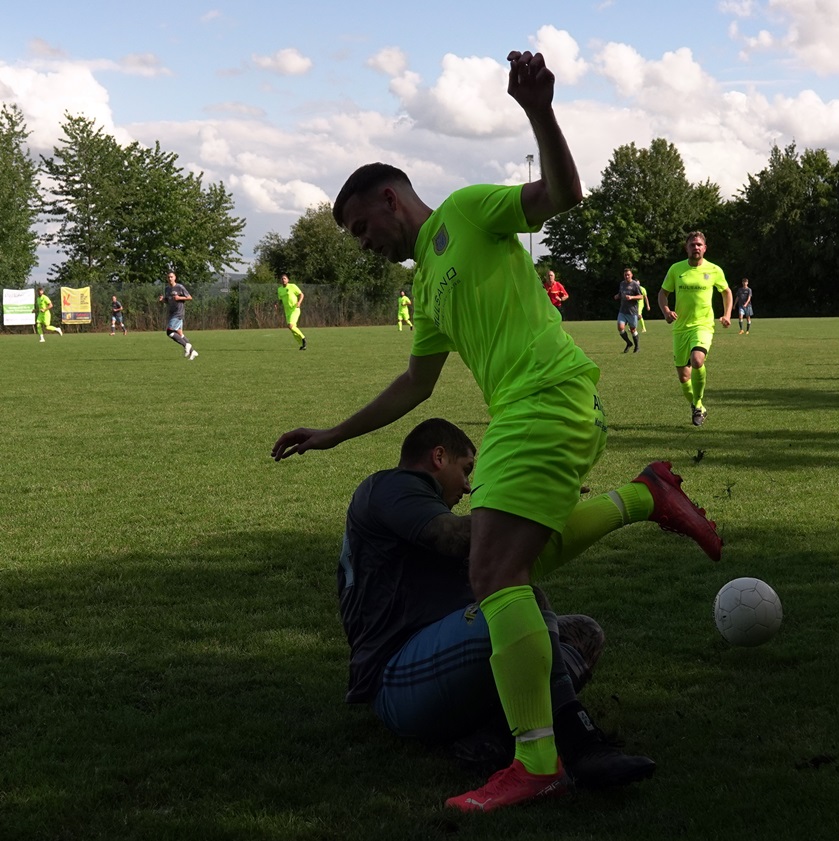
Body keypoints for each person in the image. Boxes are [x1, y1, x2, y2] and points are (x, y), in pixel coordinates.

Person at [273, 48, 722, 813]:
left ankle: (537, 760)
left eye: (360, 227)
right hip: (524, 409)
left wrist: (539, 111)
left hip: (545, 395)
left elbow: (564, 193)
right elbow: (416, 383)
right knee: (519, 559)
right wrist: (335, 433)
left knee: (493, 576)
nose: (362, 243)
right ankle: (645, 496)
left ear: (390, 199)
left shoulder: (467, 211)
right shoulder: (429, 284)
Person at [341, 417, 659, 789]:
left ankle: (492, 736)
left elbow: (505, 549)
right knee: (522, 601)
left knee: (583, 634)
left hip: (439, 667)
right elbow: (453, 537)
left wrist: (546, 507)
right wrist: (533, 505)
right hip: (396, 680)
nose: (468, 485)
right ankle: (578, 740)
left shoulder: (409, 505)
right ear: (438, 457)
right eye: (466, 469)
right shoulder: (394, 485)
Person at [659, 232, 733, 427]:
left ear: (705, 248)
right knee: (684, 377)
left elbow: (726, 292)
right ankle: (698, 406)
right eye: (692, 245)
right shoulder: (676, 269)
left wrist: (727, 314)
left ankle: (698, 405)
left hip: (703, 325)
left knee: (697, 360)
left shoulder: (714, 270)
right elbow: (663, 293)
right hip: (680, 328)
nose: (696, 247)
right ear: (687, 248)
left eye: (699, 244)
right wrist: (666, 311)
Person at [158, 271, 198, 360]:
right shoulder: (167, 289)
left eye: (171, 277)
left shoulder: (179, 287)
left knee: (169, 332)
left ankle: (186, 345)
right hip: (171, 313)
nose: (170, 278)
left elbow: (189, 297)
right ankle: (192, 351)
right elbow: (168, 300)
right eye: (168, 277)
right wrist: (163, 300)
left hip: (178, 313)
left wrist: (179, 297)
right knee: (180, 333)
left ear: (175, 277)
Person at [614, 268, 642, 353]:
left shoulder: (635, 284)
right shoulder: (622, 284)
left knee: (633, 329)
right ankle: (629, 343)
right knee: (620, 328)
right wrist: (617, 296)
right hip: (623, 310)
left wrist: (632, 297)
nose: (626, 276)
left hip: (632, 311)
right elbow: (621, 293)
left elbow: (641, 296)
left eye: (628, 275)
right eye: (625, 275)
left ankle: (637, 347)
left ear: (631, 275)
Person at [277, 274, 307, 350]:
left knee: (290, 326)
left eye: (285, 278)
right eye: (282, 279)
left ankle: (303, 338)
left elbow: (301, 294)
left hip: (295, 309)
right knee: (292, 328)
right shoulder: (279, 289)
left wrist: (299, 302)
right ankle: (302, 344)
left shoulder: (292, 286)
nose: (283, 280)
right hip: (287, 311)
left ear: (288, 280)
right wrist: (277, 305)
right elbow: (280, 300)